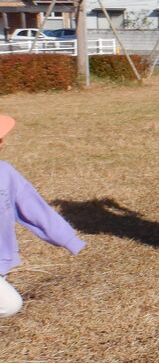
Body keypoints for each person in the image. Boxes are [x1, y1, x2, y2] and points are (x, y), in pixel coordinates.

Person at [0, 115, 86, 317]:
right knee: (11, 304)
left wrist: (66, 238)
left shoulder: (5, 173)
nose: (3, 142)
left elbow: (33, 207)